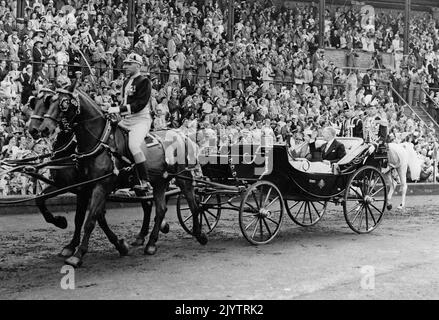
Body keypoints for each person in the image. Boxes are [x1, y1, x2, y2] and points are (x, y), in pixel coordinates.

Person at [107, 52, 153, 192]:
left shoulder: (144, 81)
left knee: (133, 145)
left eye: (129, 64)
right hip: (126, 120)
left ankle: (145, 181)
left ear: (138, 66)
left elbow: (139, 105)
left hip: (140, 121)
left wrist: (116, 109)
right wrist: (114, 106)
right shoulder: (127, 81)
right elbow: (125, 102)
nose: (125, 66)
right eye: (125, 63)